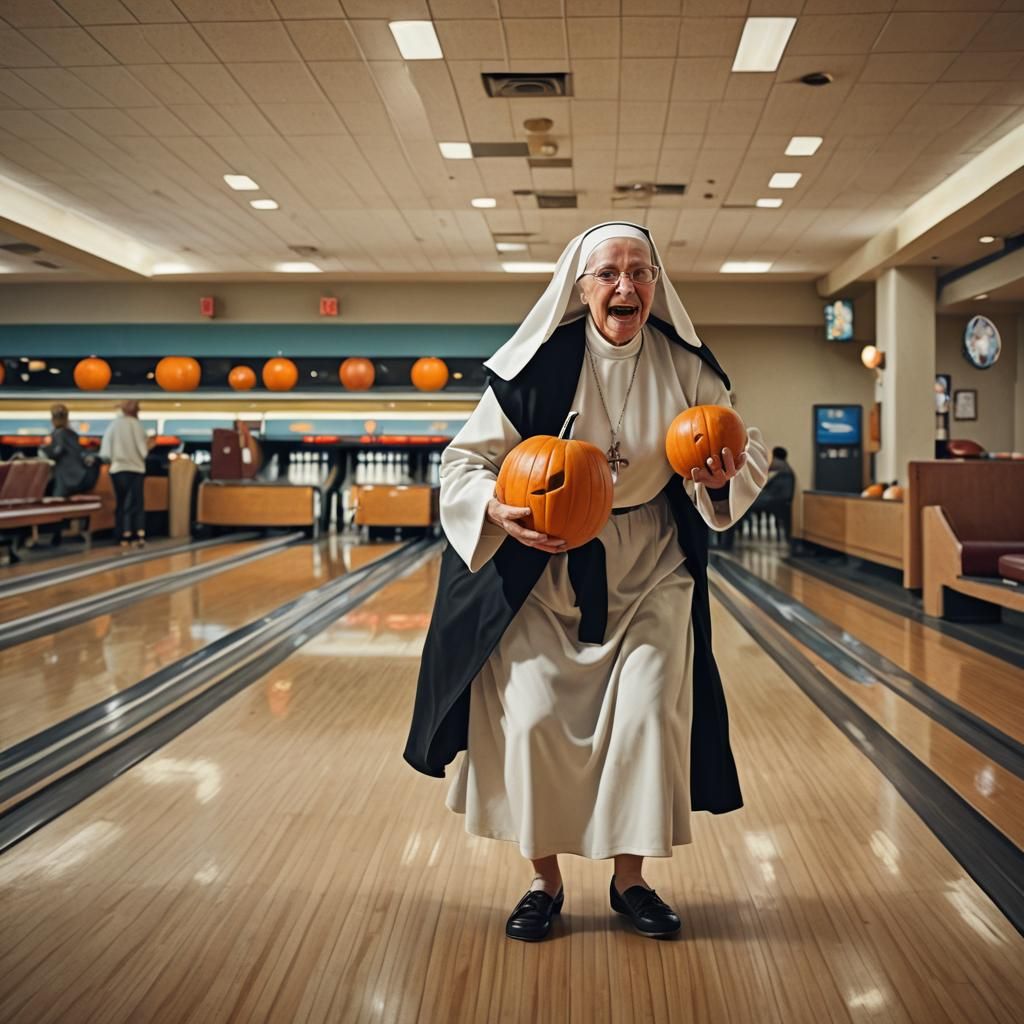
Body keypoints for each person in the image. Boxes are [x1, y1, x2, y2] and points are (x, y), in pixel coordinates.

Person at [404, 222, 769, 942]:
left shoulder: (688, 366)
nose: (624, 286)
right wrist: (496, 509)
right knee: (535, 719)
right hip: (545, 564)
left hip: (652, 564)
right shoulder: (535, 366)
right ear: (581, 288)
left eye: (638, 273)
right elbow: (461, 464)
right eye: (608, 274)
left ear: (656, 287)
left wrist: (720, 483)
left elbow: (736, 448)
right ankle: (544, 882)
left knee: (645, 718)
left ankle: (630, 881)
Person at [39, 403, 96, 547]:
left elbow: (57, 452)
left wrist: (44, 450)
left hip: (66, 479)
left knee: (56, 502)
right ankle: (63, 534)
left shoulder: (58, 434)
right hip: (80, 476)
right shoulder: (73, 434)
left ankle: (55, 537)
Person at [99, 399, 151, 548]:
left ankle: (122, 535)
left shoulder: (113, 425)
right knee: (137, 502)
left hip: (118, 469)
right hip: (136, 469)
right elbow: (143, 451)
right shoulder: (137, 425)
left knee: (121, 503)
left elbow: (106, 453)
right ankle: (138, 534)